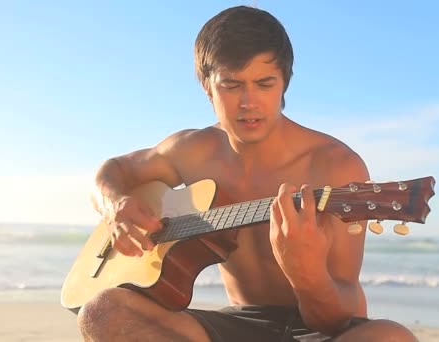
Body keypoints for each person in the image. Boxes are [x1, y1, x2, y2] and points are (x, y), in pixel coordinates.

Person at [77, 5, 418, 342]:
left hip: (326, 328)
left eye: (264, 83)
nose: (249, 102)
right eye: (232, 85)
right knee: (102, 311)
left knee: (390, 337)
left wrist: (307, 275)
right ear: (207, 86)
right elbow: (115, 170)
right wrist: (115, 206)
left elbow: (335, 319)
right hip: (242, 322)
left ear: (285, 82)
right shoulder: (191, 150)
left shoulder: (335, 165)